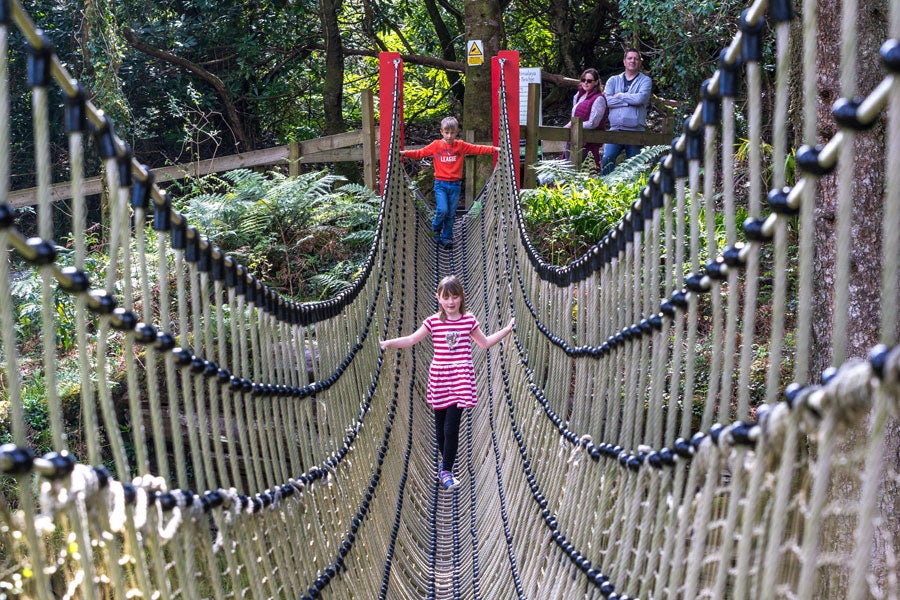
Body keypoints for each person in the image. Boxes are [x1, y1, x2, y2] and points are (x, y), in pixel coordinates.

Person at [380, 275, 514, 490]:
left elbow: (485, 342)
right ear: (438, 299)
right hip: (440, 378)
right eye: (446, 297)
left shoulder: (468, 320)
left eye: (455, 297)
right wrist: (388, 343)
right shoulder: (433, 322)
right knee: (441, 429)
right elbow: (412, 339)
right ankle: (445, 463)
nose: (451, 302)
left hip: (461, 378)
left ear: (461, 298)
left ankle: (446, 471)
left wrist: (506, 330)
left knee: (451, 428)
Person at [400, 117, 499, 249]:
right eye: (446, 132)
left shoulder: (461, 146)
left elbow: (477, 149)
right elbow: (420, 153)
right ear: (441, 132)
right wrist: (403, 153)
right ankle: (435, 229)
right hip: (440, 184)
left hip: (455, 185)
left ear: (457, 132)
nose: (449, 136)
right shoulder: (436, 145)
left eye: (452, 133)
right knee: (442, 209)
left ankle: (446, 238)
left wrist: (494, 149)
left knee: (451, 213)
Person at [601, 49, 653, 175]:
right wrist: (629, 100)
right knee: (607, 159)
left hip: (635, 131)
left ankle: (632, 193)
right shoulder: (613, 80)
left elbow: (640, 99)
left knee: (634, 167)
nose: (632, 61)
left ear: (640, 62)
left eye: (636, 58)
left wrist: (619, 95)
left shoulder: (645, 81)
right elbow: (607, 101)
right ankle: (605, 189)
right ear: (624, 62)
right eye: (630, 58)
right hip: (615, 130)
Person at [563, 68, 608, 169]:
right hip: (573, 138)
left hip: (588, 142)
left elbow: (593, 123)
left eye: (589, 81)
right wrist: (572, 125)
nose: (585, 83)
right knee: (567, 171)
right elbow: (574, 116)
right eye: (583, 80)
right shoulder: (579, 96)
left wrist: (573, 125)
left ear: (596, 82)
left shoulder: (599, 99)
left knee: (583, 171)